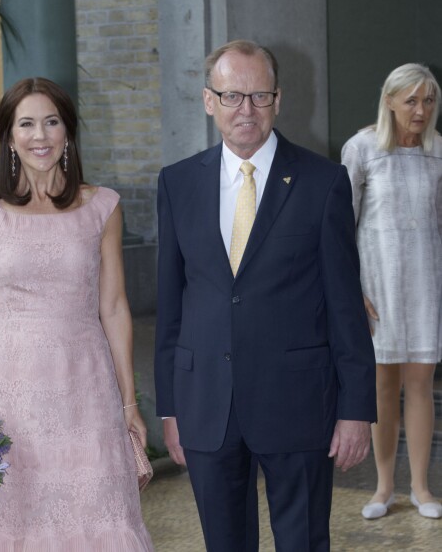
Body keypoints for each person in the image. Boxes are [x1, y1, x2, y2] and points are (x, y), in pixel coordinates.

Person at [154, 39, 377, 551]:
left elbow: (345, 304)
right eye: (232, 96)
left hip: (298, 404)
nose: (246, 110)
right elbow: (172, 307)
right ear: (209, 100)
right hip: (206, 403)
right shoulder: (178, 183)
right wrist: (170, 409)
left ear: (278, 99)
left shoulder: (323, 182)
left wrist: (356, 408)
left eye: (258, 96)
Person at [0, 77, 154, 550]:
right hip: (13, 397)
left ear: (67, 132)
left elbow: (114, 307)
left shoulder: (101, 206)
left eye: (51, 121)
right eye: (26, 124)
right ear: (9, 137)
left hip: (87, 388)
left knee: (101, 517)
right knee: (22, 522)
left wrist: (129, 402)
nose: (40, 135)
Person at [341, 63, 442, 520]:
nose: (421, 110)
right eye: (412, 100)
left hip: (425, 283)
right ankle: (383, 488)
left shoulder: (439, 150)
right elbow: (342, 225)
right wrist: (351, 288)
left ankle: (421, 488)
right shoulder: (361, 148)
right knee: (384, 386)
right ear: (389, 101)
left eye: (429, 101)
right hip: (376, 284)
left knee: (420, 385)